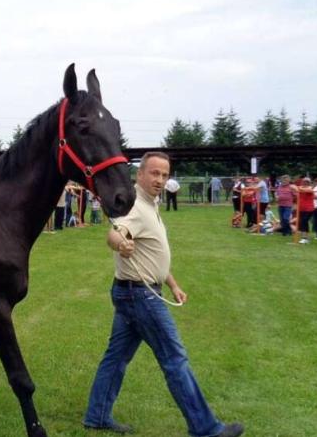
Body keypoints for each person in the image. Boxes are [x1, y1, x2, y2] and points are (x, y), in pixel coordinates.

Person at [83, 151, 243, 437]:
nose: (160, 179)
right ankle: (206, 429)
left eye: (165, 175)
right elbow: (114, 233)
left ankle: (96, 415)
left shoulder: (150, 204)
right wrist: (121, 244)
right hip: (140, 296)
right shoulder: (134, 206)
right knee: (175, 359)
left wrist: (173, 284)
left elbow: (153, 255)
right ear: (139, 174)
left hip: (134, 292)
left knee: (116, 357)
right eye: (154, 173)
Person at [295, 177, 315, 244]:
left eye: (307, 182)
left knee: (304, 222)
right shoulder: (300, 188)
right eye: (304, 181)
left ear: (309, 183)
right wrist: (298, 188)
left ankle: (305, 238)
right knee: (303, 222)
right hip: (301, 209)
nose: (305, 183)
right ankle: (305, 238)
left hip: (309, 209)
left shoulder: (310, 188)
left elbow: (307, 190)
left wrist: (298, 188)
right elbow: (292, 187)